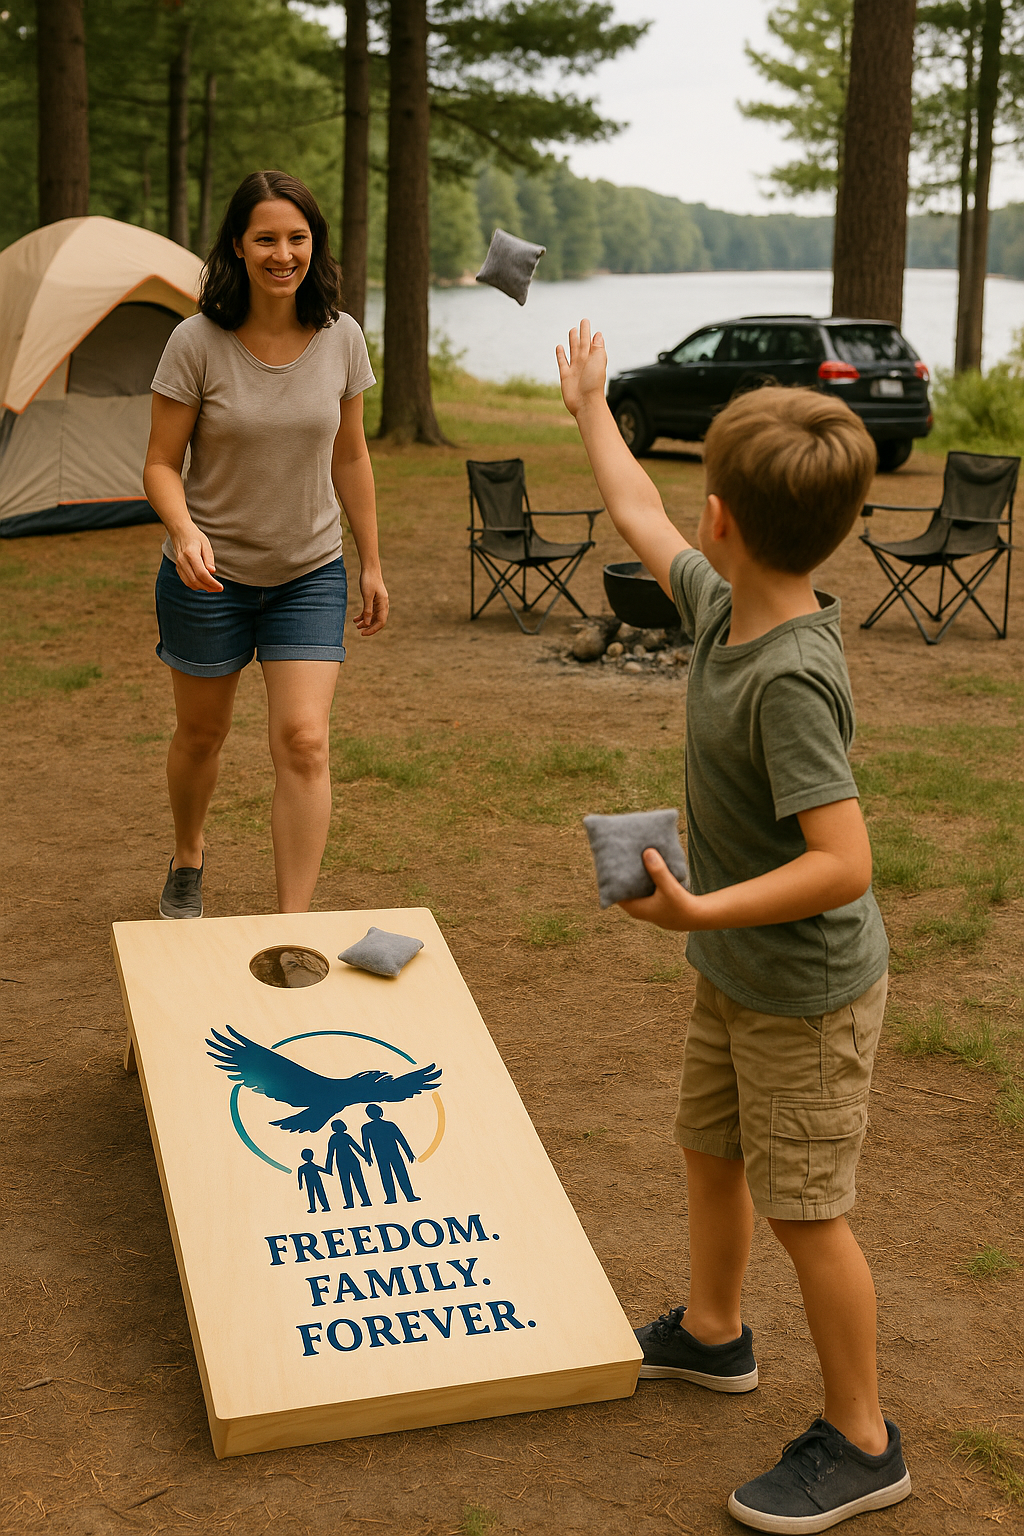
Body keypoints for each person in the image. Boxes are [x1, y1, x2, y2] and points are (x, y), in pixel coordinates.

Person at [557, 320, 911, 1533]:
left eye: (697, 498)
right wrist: (591, 409)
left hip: (804, 988)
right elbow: (631, 516)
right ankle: (712, 1335)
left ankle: (864, 1439)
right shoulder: (723, 606)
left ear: (723, 516)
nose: (682, 517)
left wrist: (701, 906)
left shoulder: (791, 679)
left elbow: (841, 864)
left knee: (807, 1211)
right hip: (737, 970)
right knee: (712, 1152)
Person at [144, 169, 387, 919]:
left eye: (297, 238)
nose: (284, 253)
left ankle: (291, 927)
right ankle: (189, 851)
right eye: (267, 239)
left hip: (309, 572)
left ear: (314, 244)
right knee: (201, 734)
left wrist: (371, 561)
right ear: (239, 248)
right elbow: (160, 464)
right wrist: (184, 532)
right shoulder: (196, 341)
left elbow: (351, 453)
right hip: (208, 578)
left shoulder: (341, 336)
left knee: (305, 741)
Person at [360, 1104, 420, 1205]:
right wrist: (368, 1156)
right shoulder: (373, 1127)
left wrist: (409, 1153)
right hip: (385, 1155)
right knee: (393, 1175)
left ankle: (403, 1196)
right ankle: (399, 1197)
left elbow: (400, 1139)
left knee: (392, 1175)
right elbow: (366, 1142)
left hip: (388, 1154)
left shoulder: (371, 1127)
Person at [325, 1118, 372, 1209]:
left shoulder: (339, 1137)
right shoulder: (338, 1137)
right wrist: (366, 1157)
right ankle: (359, 1202)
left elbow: (331, 1153)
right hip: (346, 1161)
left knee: (351, 1182)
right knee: (351, 1182)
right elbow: (330, 1153)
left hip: (348, 1161)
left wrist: (366, 1157)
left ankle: (362, 1201)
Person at [297, 1148, 331, 1214]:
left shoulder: (303, 1167)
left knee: (318, 1193)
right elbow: (299, 1176)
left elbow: (300, 1176)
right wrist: (300, 1184)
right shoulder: (303, 1167)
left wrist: (300, 1184)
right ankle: (314, 1208)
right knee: (313, 1194)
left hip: (315, 1181)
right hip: (311, 1181)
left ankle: (324, 1207)